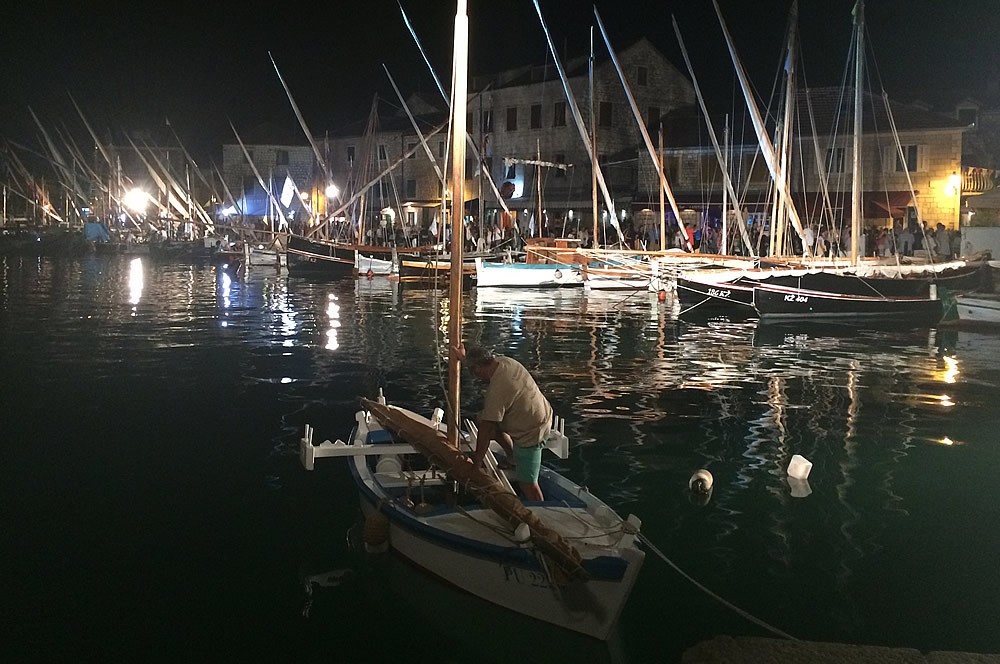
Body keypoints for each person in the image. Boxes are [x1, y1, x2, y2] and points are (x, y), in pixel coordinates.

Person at [453, 343, 552, 501]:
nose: (478, 378)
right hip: (537, 412)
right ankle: (512, 456)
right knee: (483, 417)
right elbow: (479, 365)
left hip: (533, 429)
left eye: (475, 373)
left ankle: (540, 512)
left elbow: (486, 429)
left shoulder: (497, 390)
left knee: (527, 483)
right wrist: (464, 358)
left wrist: (476, 463)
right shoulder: (504, 362)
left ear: (478, 369)